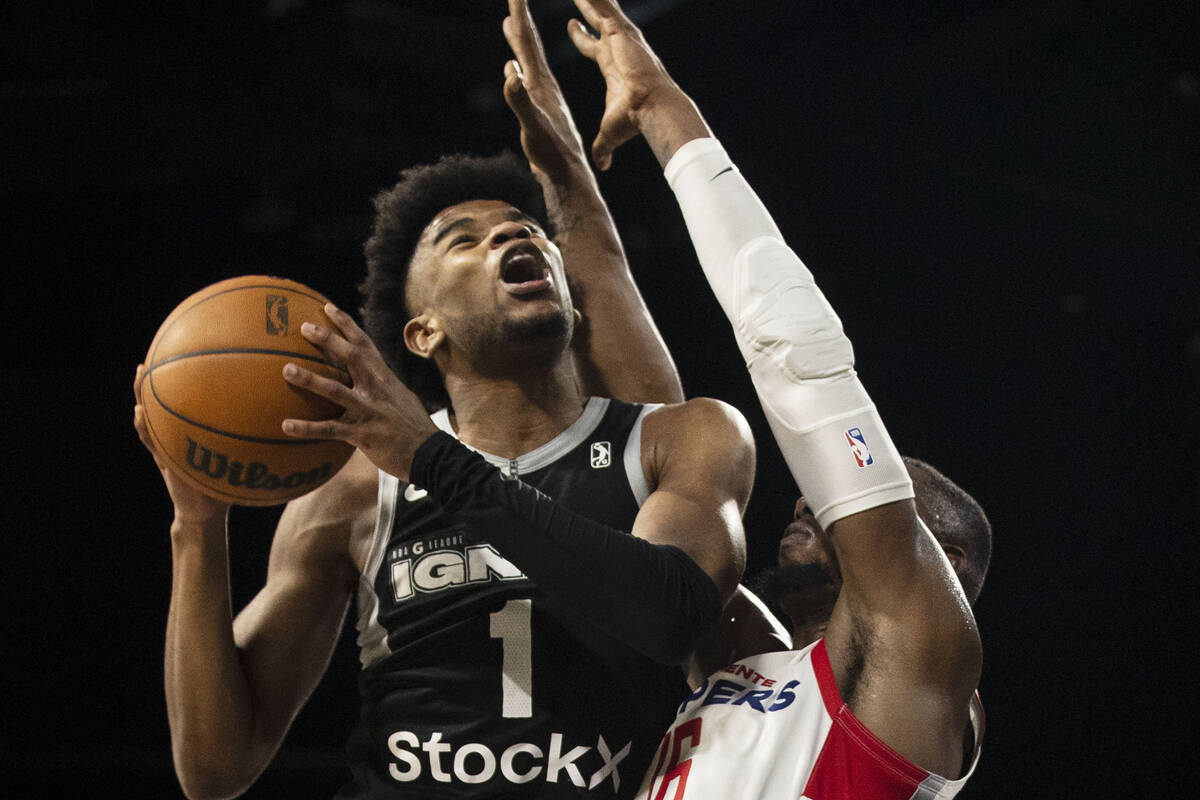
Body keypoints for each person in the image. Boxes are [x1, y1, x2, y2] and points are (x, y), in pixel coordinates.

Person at [131, 2, 754, 797]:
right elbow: (213, 769)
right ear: (423, 333)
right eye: (465, 238)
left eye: (525, 227)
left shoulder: (679, 439)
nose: (510, 237)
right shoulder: (359, 489)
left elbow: (673, 618)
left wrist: (434, 460)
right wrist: (197, 524)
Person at [557, 0, 987, 795]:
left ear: (947, 567)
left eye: (888, 498)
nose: (806, 505)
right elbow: (653, 433)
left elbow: (801, 360)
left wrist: (661, 106)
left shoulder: (919, 648)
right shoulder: (749, 656)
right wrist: (566, 183)